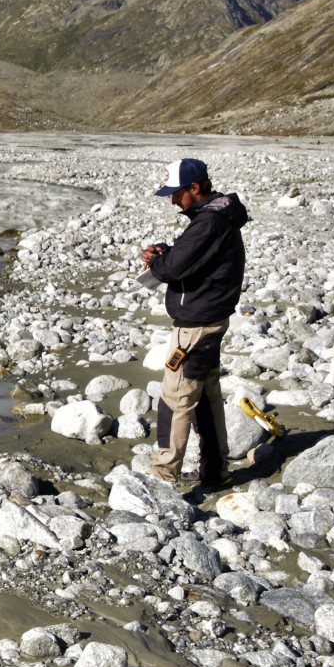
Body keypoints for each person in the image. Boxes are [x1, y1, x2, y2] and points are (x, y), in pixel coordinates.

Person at [139, 158, 249, 490]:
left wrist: (159, 260)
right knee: (205, 396)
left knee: (176, 398)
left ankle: (162, 481)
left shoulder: (208, 223)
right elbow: (193, 258)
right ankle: (215, 471)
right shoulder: (215, 218)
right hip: (210, 320)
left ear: (194, 188)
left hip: (196, 326)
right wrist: (168, 252)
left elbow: (171, 270)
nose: (173, 200)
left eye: (176, 193)